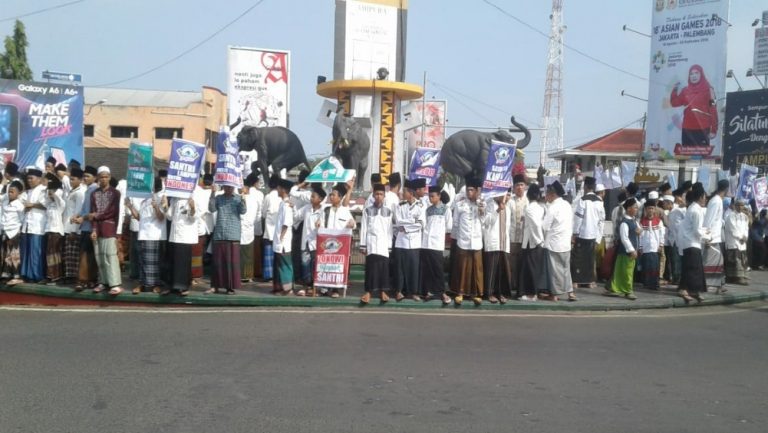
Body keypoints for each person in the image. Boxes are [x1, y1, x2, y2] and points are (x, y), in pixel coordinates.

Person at [86, 166, 123, 295]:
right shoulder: (94, 193)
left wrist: (96, 216)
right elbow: (92, 212)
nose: (104, 179)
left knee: (110, 257)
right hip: (98, 229)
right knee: (99, 257)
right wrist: (94, 229)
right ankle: (103, 282)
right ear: (98, 178)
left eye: (106, 176)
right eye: (101, 177)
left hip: (109, 227)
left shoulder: (115, 193)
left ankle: (115, 284)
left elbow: (111, 212)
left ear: (110, 177)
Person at [125, 178, 166, 294]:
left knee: (154, 263)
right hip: (143, 234)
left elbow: (161, 217)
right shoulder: (145, 200)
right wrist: (130, 206)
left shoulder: (161, 197)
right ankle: (143, 284)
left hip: (154, 235)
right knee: (142, 261)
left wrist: (156, 206)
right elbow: (139, 217)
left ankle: (156, 285)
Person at [450, 176, 485, 306]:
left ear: (477, 191)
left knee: (477, 269)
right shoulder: (460, 205)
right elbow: (455, 223)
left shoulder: (482, 204)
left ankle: (476, 294)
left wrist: (481, 210)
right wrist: (460, 237)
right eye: (468, 190)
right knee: (462, 268)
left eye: (472, 190)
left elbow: (484, 222)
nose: (470, 192)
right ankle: (460, 293)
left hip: (476, 241)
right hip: (463, 241)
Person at [317, 182, 356, 298]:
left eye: (334, 195)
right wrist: (318, 223)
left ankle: (336, 289)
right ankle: (324, 288)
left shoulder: (345, 211)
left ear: (340, 197)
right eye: (331, 195)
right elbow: (321, 223)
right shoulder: (325, 210)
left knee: (337, 267)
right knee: (325, 265)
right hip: (327, 244)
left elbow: (353, 224)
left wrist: (351, 223)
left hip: (340, 246)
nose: (331, 197)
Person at [208, 184, 246, 294]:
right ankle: (215, 286)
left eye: (231, 187)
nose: (229, 189)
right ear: (223, 187)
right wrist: (212, 193)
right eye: (227, 187)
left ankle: (230, 287)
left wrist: (243, 196)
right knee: (218, 263)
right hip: (220, 233)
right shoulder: (218, 198)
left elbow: (243, 211)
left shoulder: (238, 198)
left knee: (231, 264)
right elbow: (211, 209)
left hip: (233, 234)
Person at [359, 183, 394, 304]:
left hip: (384, 243)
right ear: (373, 195)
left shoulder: (388, 211)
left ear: (384, 196)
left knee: (384, 269)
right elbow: (363, 227)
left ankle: (383, 291)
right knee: (371, 268)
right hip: (371, 243)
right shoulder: (367, 210)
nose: (379, 196)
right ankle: (368, 292)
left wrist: (389, 246)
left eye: (381, 194)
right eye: (377, 194)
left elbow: (390, 230)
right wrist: (363, 245)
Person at [670, 64, 719, 147]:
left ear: (701, 74)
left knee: (702, 157)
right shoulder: (685, 91)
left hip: (703, 130)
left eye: (696, 73)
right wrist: (675, 89)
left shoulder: (709, 90)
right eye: (691, 74)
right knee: (687, 156)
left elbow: (713, 110)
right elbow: (674, 103)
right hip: (687, 130)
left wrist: (714, 130)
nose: (694, 76)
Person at [542, 180, 575, 301]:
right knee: (566, 269)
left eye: (547, 194)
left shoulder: (552, 207)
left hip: (554, 243)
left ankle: (554, 295)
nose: (546, 197)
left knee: (555, 271)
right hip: (566, 242)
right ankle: (570, 293)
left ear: (552, 194)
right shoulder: (567, 205)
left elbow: (545, 226)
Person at [571, 176, 605, 289]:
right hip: (593, 235)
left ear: (585, 187)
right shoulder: (600, 202)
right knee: (590, 259)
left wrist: (574, 233)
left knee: (578, 259)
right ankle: (590, 282)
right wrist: (599, 238)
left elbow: (578, 219)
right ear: (594, 187)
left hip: (582, 234)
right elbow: (602, 221)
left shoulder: (583, 200)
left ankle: (576, 281)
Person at [678, 185, 710, 303]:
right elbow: (697, 231)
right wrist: (707, 236)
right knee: (691, 268)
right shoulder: (697, 210)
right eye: (705, 197)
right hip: (691, 242)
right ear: (701, 197)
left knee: (696, 268)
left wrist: (704, 233)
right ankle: (683, 289)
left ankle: (694, 290)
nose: (705, 199)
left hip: (691, 242)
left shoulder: (693, 207)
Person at [420, 186, 452, 305]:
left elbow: (449, 226)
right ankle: (429, 292)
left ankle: (442, 292)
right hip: (426, 243)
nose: (431, 198)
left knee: (438, 269)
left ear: (439, 196)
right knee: (427, 269)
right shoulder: (428, 210)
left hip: (437, 244)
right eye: (429, 196)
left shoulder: (445, 210)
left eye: (433, 196)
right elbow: (425, 225)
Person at [162, 192, 197, 296]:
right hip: (174, 235)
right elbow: (169, 217)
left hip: (185, 236)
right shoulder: (174, 199)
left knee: (183, 263)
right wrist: (165, 205)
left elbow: (194, 218)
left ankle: (184, 287)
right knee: (173, 261)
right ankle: (172, 287)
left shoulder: (192, 197)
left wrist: (193, 207)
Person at [294, 184, 327, 295]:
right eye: (311, 196)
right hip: (305, 242)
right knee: (305, 265)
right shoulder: (307, 208)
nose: (311, 198)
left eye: (313, 196)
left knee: (315, 266)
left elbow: (324, 227)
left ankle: (315, 288)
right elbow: (297, 216)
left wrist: (320, 225)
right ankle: (306, 287)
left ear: (320, 199)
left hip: (316, 243)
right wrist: (292, 207)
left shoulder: (323, 211)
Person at [605, 198, 640, 299]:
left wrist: (639, 231)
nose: (637, 209)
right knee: (626, 272)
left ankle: (617, 288)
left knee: (623, 271)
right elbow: (624, 238)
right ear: (628, 209)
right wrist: (631, 250)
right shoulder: (624, 223)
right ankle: (628, 290)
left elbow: (639, 229)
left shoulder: (633, 220)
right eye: (635, 207)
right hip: (626, 252)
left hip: (630, 251)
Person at [482, 191, 513, 304]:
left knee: (501, 271)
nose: (506, 198)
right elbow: (486, 222)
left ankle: (500, 293)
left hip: (503, 243)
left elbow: (508, 227)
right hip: (493, 243)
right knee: (491, 270)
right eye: (505, 195)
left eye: (509, 195)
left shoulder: (508, 209)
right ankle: (489, 293)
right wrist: (498, 210)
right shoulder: (490, 205)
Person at [519, 183, 547, 301]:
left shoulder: (529, 208)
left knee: (530, 269)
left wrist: (538, 241)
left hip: (533, 243)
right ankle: (531, 292)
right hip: (535, 242)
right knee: (532, 269)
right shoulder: (541, 208)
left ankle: (532, 294)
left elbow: (536, 225)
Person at [19, 168, 47, 283]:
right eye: (28, 178)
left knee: (36, 252)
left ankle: (37, 276)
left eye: (31, 178)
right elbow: (21, 203)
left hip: (38, 226)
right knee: (26, 251)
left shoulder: (43, 190)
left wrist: (32, 205)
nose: (29, 180)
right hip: (27, 225)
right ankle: (26, 274)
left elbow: (46, 205)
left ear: (39, 179)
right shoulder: (28, 192)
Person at [74, 165, 99, 291]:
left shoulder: (94, 190)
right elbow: (85, 209)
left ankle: (83, 280)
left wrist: (82, 218)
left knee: (85, 254)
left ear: (95, 178)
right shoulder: (88, 189)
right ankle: (90, 280)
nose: (85, 178)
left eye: (88, 176)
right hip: (86, 226)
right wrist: (78, 216)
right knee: (90, 255)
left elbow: (93, 211)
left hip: (90, 227)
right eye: (84, 176)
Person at [703, 179, 728, 293]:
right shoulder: (716, 201)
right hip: (711, 238)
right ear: (726, 189)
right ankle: (710, 285)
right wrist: (707, 237)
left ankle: (718, 285)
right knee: (712, 262)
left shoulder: (718, 200)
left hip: (715, 237)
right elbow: (709, 220)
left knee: (719, 261)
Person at [272, 178, 295, 295]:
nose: (277, 189)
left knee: (284, 265)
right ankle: (279, 287)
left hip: (283, 241)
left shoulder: (286, 205)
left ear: (283, 190)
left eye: (279, 188)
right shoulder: (283, 203)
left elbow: (286, 223)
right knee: (278, 264)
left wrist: (281, 237)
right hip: (278, 239)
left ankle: (287, 289)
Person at [239, 173, 263, 283]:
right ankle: (245, 275)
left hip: (247, 229)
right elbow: (258, 215)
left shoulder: (247, 199)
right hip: (246, 229)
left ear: (246, 187)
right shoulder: (244, 198)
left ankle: (247, 276)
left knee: (247, 254)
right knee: (246, 254)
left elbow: (257, 214)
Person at [63, 168, 85, 283]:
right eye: (70, 179)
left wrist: (74, 231)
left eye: (73, 179)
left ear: (80, 180)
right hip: (67, 226)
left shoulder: (80, 193)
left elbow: (78, 212)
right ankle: (69, 276)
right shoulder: (72, 191)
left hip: (73, 228)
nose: (71, 181)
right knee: (69, 254)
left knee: (74, 254)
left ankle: (74, 277)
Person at [1, 181, 25, 285]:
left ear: (18, 193)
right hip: (5, 231)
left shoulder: (19, 205)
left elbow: (22, 219)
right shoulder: (5, 202)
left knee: (14, 255)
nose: (10, 193)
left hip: (14, 232)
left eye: (13, 192)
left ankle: (17, 276)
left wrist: (18, 233)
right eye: (9, 191)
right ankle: (6, 274)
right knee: (6, 254)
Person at [508, 174, 528, 298]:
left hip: (524, 239)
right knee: (511, 265)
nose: (519, 188)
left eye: (521, 185)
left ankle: (521, 287)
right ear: (514, 188)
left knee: (522, 264)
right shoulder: (510, 201)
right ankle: (511, 286)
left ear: (525, 187)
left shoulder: (529, 201)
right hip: (512, 238)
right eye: (517, 185)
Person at [191, 173, 214, 281]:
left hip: (200, 226)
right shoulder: (211, 192)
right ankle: (197, 274)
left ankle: (196, 275)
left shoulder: (198, 191)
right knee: (200, 252)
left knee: (199, 252)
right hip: (206, 226)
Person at [43, 175, 65, 284]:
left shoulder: (60, 204)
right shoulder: (49, 204)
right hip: (49, 231)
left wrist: (55, 190)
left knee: (54, 254)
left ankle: (55, 277)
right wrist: (49, 190)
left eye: (52, 191)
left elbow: (58, 197)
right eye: (49, 191)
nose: (50, 193)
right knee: (49, 255)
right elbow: (45, 201)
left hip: (56, 232)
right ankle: (50, 276)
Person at [638, 200, 665, 291]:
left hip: (655, 248)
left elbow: (662, 234)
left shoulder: (659, 221)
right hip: (645, 248)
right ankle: (646, 283)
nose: (650, 210)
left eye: (652, 208)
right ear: (646, 209)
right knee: (646, 266)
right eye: (649, 208)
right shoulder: (642, 222)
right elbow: (640, 236)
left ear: (655, 210)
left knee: (654, 266)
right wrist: (640, 247)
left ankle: (654, 283)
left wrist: (661, 245)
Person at [724, 199, 749, 285]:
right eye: (738, 205)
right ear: (735, 205)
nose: (740, 207)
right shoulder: (731, 216)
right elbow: (732, 228)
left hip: (742, 241)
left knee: (742, 259)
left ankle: (741, 276)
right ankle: (737, 277)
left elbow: (746, 228)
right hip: (733, 240)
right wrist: (740, 237)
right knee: (735, 259)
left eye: (742, 205)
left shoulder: (745, 216)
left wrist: (745, 236)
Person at [261, 174, 281, 281]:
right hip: (278, 231)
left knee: (268, 254)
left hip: (268, 230)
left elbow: (263, 213)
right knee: (277, 253)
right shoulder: (281, 197)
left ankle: (268, 275)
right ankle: (277, 274)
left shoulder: (268, 197)